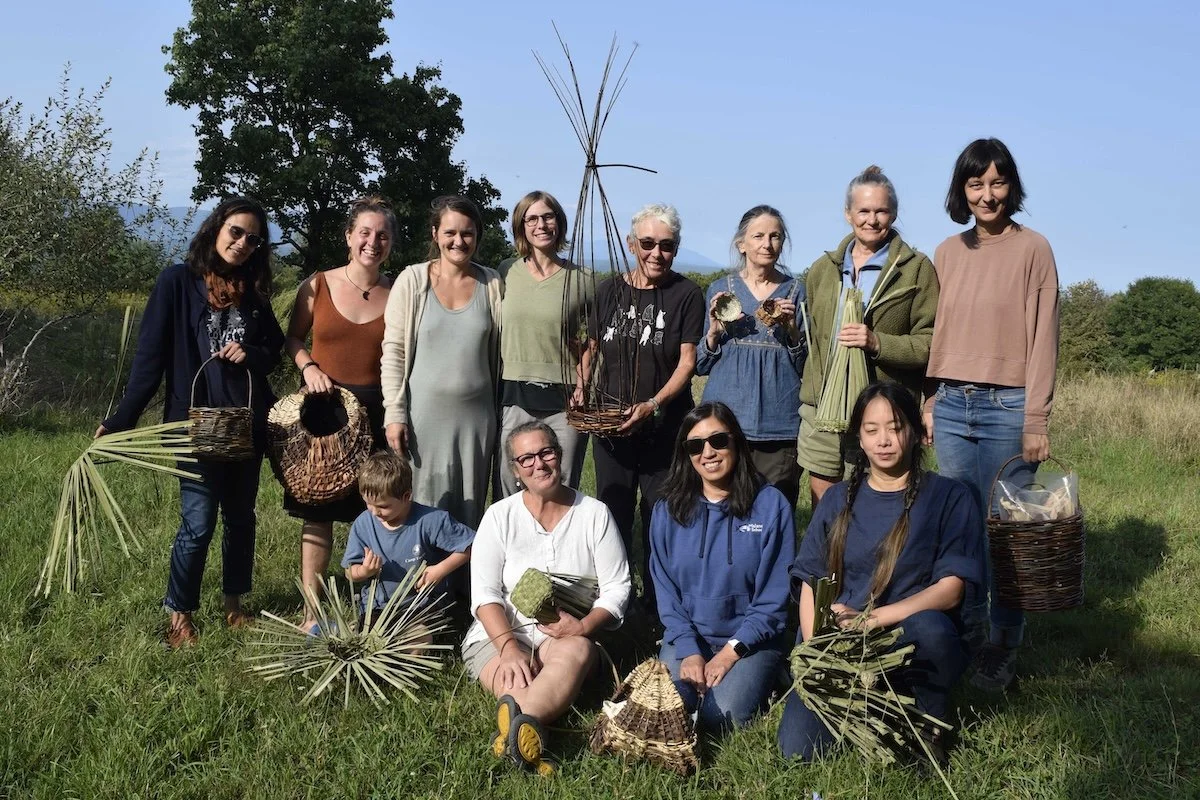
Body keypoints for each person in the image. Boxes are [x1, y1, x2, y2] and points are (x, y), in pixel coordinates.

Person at [98, 197, 284, 648]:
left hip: (244, 426)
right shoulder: (177, 283)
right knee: (198, 523)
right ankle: (179, 613)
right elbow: (149, 360)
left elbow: (274, 350)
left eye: (252, 239)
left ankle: (234, 605)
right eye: (236, 232)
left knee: (241, 518)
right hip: (193, 426)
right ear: (216, 228)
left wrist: (252, 354)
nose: (242, 243)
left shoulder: (254, 297)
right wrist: (120, 420)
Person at [778, 382, 984, 761]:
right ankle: (867, 705)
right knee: (797, 752)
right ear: (859, 435)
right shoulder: (838, 498)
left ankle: (928, 715)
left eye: (895, 427)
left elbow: (952, 588)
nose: (884, 440)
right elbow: (809, 577)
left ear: (916, 432)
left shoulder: (949, 497)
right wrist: (815, 648)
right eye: (872, 430)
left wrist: (873, 619)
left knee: (931, 629)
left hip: (908, 640)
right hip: (842, 643)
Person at [924, 138, 1060, 692]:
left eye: (997, 182)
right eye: (976, 184)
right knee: (958, 527)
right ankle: (969, 632)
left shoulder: (1035, 249)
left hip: (1009, 406)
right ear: (962, 190)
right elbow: (938, 332)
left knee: (1004, 530)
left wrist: (1036, 420)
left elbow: (1045, 338)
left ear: (1012, 187)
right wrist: (930, 401)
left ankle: (1004, 644)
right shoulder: (947, 252)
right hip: (952, 404)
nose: (987, 194)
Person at [462, 421, 630, 775]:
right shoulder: (499, 517)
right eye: (527, 459)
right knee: (515, 675)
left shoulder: (594, 514)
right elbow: (485, 594)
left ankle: (520, 726)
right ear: (515, 470)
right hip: (500, 634)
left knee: (579, 649)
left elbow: (618, 588)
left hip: (568, 633)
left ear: (560, 455)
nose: (539, 464)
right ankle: (530, 737)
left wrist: (583, 626)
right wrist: (509, 648)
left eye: (546, 452)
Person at [284, 195, 396, 632]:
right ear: (349, 236)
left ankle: (374, 603)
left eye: (382, 235)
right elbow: (293, 339)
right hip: (324, 409)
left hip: (377, 411)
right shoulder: (317, 285)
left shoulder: (400, 290)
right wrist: (309, 366)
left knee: (378, 510)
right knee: (318, 510)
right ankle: (312, 612)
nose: (373, 241)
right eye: (364, 232)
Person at [797, 166, 939, 507]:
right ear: (848, 214)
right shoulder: (823, 269)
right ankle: (829, 562)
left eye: (881, 211)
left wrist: (877, 343)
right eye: (863, 211)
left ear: (894, 213)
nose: (872, 220)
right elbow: (813, 340)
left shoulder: (916, 269)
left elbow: (932, 343)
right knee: (826, 505)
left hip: (883, 415)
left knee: (877, 504)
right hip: (823, 411)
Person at [587, 203, 706, 612]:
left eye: (667, 246)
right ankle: (614, 600)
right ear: (631, 243)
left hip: (664, 426)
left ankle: (658, 605)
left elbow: (687, 361)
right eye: (648, 243)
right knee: (612, 510)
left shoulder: (686, 294)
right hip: (612, 425)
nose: (657, 253)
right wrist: (581, 391)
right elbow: (590, 349)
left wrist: (654, 403)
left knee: (660, 513)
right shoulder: (608, 292)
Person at [649, 402, 794, 733]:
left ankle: (771, 673)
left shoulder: (771, 506)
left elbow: (774, 599)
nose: (708, 452)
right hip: (689, 636)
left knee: (719, 719)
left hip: (749, 640)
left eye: (718, 440)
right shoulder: (667, 510)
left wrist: (730, 653)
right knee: (668, 711)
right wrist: (688, 651)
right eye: (696, 445)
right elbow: (666, 592)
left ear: (737, 442)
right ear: (686, 454)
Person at [380, 195, 503, 530]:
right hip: (422, 420)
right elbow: (393, 351)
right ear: (435, 234)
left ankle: (463, 581)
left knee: (468, 509)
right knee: (420, 505)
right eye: (450, 232)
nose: (458, 241)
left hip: (477, 422)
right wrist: (394, 413)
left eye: (467, 234)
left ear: (477, 237)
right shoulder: (413, 281)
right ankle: (419, 580)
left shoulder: (492, 284)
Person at [696, 205, 806, 507]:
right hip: (726, 424)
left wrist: (792, 329)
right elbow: (701, 363)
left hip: (779, 424)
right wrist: (714, 332)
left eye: (775, 236)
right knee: (723, 505)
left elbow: (806, 365)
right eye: (758, 236)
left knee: (774, 508)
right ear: (741, 244)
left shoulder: (796, 291)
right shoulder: (721, 290)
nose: (767, 244)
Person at [495, 190, 592, 496]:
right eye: (532, 218)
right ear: (521, 226)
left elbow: (594, 340)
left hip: (564, 402)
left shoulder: (583, 279)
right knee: (510, 486)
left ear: (559, 223)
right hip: (513, 394)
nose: (541, 224)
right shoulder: (505, 271)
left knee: (559, 486)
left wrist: (582, 384)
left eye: (548, 216)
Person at [340, 452, 473, 616]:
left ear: (407, 496)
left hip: (422, 605)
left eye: (383, 506)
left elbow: (473, 546)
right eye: (368, 503)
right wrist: (364, 571)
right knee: (373, 640)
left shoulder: (431, 520)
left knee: (419, 638)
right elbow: (350, 572)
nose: (375, 512)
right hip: (378, 607)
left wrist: (440, 570)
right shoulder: (363, 524)